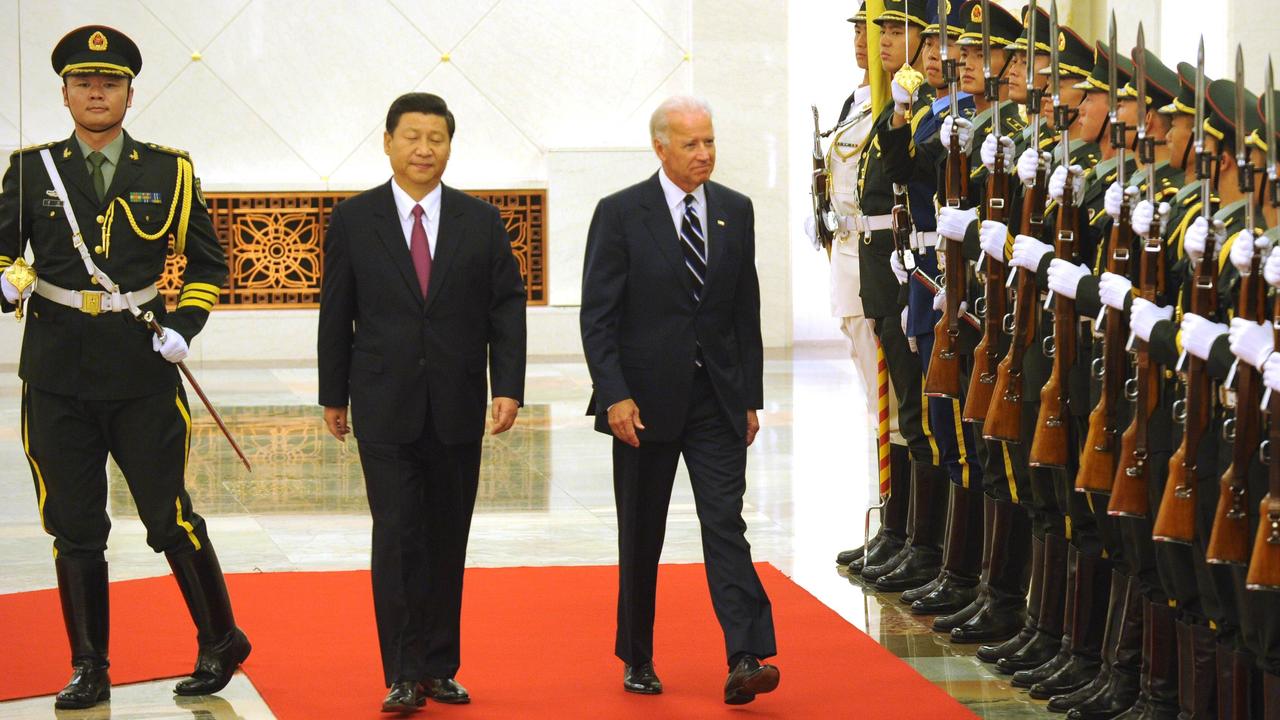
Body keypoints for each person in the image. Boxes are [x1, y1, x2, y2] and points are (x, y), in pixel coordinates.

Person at [0, 25, 247, 710]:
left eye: (109, 83)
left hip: (141, 372)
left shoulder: (169, 170)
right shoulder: (30, 170)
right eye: (84, 82)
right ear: (66, 93)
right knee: (74, 526)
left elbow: (207, 264)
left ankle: (222, 638)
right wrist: (8, 282)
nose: (97, 92)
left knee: (169, 517)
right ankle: (90, 666)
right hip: (55, 376)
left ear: (130, 95)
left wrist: (184, 326)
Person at [316, 92, 527, 714]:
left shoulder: (480, 221)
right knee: (398, 534)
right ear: (387, 141)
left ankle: (439, 666)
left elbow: (505, 309)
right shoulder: (355, 220)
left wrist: (507, 385)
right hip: (383, 403)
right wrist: (334, 393)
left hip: (457, 405)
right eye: (411, 136)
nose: (424, 149)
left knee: (446, 536)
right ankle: (402, 672)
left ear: (449, 146)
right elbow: (337, 313)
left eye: (436, 138)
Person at [579, 95, 779, 705]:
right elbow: (599, 316)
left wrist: (747, 397)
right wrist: (614, 395)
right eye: (691, 144)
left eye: (710, 142)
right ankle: (637, 655)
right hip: (642, 405)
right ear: (660, 147)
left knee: (725, 522)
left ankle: (746, 655)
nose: (704, 154)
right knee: (643, 532)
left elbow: (745, 311)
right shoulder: (619, 214)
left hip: (716, 401)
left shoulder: (734, 211)